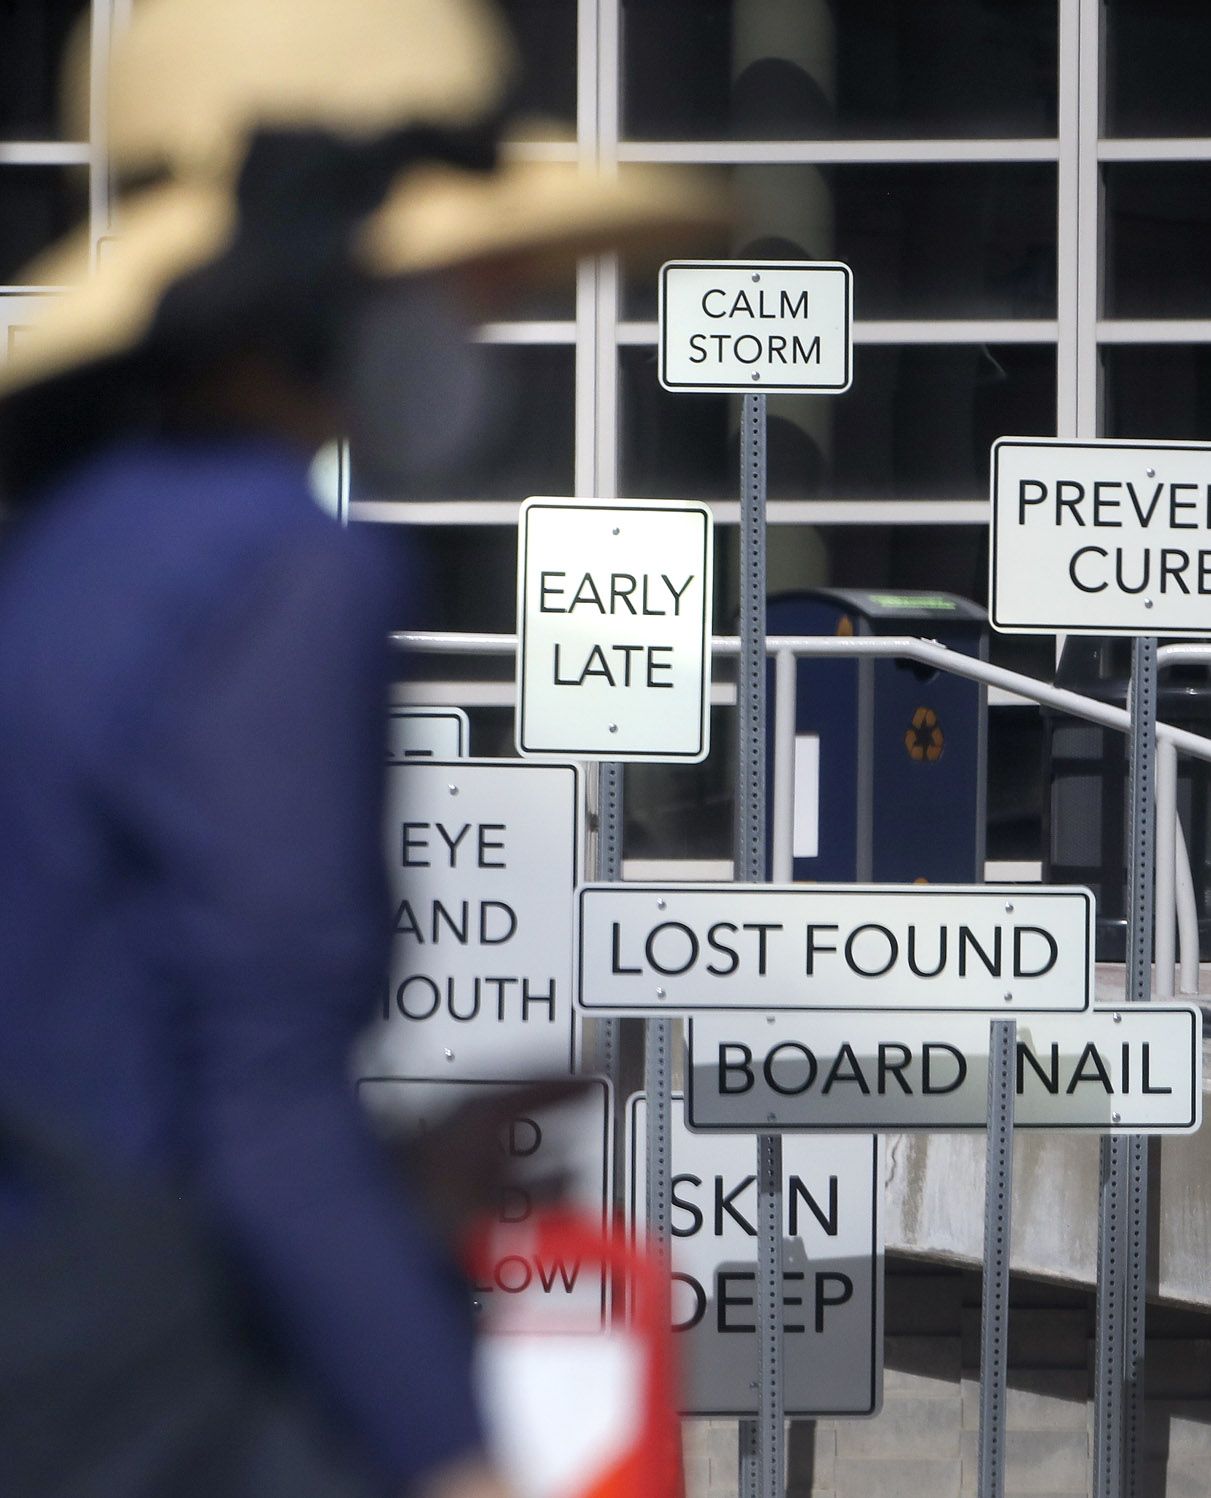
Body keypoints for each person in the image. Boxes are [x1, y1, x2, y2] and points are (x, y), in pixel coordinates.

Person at [0, 2, 712, 1494]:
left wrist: (406, 1172)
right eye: (462, 283)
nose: (492, 324)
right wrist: (451, 1452)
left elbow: (106, 1053)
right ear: (333, 291)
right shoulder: (286, 566)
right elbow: (259, 1103)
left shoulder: (73, 546)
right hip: (166, 1412)